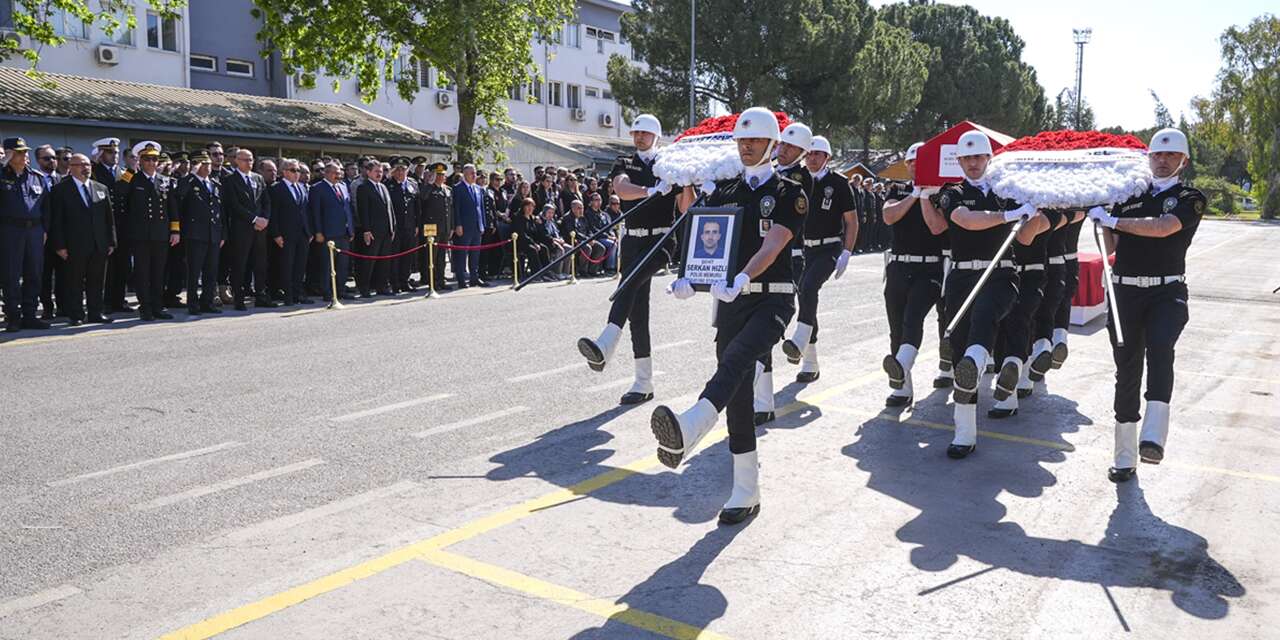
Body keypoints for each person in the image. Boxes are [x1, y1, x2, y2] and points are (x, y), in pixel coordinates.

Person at [649, 107, 805, 525]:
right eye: (742, 140)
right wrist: (689, 277)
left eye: (755, 140)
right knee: (736, 396)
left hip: (772, 299)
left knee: (736, 362)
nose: (746, 146)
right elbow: (701, 232)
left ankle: (693, 424)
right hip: (732, 302)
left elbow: (774, 244)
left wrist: (743, 275)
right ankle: (746, 489)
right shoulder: (725, 190)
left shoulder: (790, 192)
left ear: (773, 145)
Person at [1088, 128, 1204, 483]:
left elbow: (1164, 227)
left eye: (1171, 155)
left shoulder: (1189, 197)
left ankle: (1153, 437)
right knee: (1126, 370)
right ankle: (1124, 457)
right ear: (1148, 158)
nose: (1163, 160)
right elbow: (1110, 245)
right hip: (1125, 292)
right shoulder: (1128, 196)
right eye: (1157, 155)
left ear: (1183, 161)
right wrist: (1100, 216)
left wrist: (1114, 220)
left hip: (1166, 292)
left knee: (1160, 348)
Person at [936, 130, 1048, 459]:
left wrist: (1037, 211)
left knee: (985, 317)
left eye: (978, 157)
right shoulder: (951, 192)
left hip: (1000, 273)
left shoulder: (1008, 192)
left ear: (989, 158)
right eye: (967, 158)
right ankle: (965, 433)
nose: (973, 163)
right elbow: (965, 220)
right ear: (959, 161)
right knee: (960, 354)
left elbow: (1025, 237)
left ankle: (977, 359)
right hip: (962, 276)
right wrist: (1008, 216)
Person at [781, 135, 857, 383]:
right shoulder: (796, 178)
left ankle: (800, 338)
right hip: (803, 249)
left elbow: (851, 221)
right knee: (805, 297)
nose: (812, 158)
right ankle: (810, 363)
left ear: (827, 157)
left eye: (817, 154)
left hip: (830, 247)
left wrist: (847, 252)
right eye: (809, 153)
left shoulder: (838, 183)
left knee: (809, 286)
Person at [880, 143, 949, 406]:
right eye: (911, 162)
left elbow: (937, 227)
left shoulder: (942, 193)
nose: (914, 166)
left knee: (913, 317)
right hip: (898, 266)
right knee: (896, 327)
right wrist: (914, 195)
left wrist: (925, 196)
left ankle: (903, 364)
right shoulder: (898, 190)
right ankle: (902, 387)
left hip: (929, 267)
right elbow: (889, 216)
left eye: (920, 161)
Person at [48, 153, 115, 325]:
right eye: (81, 165)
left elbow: (109, 218)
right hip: (74, 244)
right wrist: (59, 245)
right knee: (74, 281)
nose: (86, 168)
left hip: (99, 244)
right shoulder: (60, 190)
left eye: (88, 165)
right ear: (71, 168)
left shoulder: (101, 188)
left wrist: (111, 241)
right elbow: (57, 221)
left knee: (97, 281)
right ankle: (76, 314)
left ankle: (96, 312)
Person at [120, 141, 180, 321]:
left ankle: (157, 306)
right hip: (140, 235)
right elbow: (119, 192)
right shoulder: (133, 178)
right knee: (142, 272)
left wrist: (175, 231)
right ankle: (145, 307)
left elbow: (172, 207)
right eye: (147, 159)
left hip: (160, 234)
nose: (151, 163)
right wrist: (130, 171)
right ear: (140, 160)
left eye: (154, 159)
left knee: (158, 273)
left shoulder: (165, 180)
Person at [1, 137, 52, 331]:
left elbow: (46, 206)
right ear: (8, 154)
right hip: (10, 230)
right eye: (19, 152)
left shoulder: (36, 176)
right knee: (11, 274)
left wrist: (45, 229)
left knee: (34, 273)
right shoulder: (2, 174)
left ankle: (30, 315)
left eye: (25, 152)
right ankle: (13, 316)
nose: (24, 155)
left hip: (35, 231)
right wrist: (2, 164)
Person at [224, 149, 277, 310]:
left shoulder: (258, 178)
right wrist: (254, 219)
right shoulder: (230, 180)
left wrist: (265, 219)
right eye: (245, 160)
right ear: (237, 161)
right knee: (240, 264)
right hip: (241, 228)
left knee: (260, 263)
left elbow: (266, 201)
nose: (249, 163)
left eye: (251, 160)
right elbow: (234, 205)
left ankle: (261, 295)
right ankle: (239, 298)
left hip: (260, 229)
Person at [177, 151, 225, 314]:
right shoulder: (189, 182)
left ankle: (208, 302)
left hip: (213, 233)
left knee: (211, 271)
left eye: (208, 164)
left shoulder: (215, 184)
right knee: (194, 271)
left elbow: (221, 211)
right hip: (195, 234)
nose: (207, 167)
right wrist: (191, 174)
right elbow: (179, 196)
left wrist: (222, 234)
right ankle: (193, 304)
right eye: (203, 164)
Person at [268, 158, 313, 305]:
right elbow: (273, 214)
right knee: (287, 265)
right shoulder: (276, 188)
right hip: (286, 234)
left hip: (303, 233)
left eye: (298, 170)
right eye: (293, 170)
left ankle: (297, 294)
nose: (297, 173)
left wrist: (309, 232)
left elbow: (306, 211)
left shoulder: (302, 188)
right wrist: (276, 234)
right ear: (284, 172)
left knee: (300, 266)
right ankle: (288, 296)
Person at [309, 162, 355, 301]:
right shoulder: (317, 188)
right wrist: (318, 232)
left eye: (340, 173)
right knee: (327, 265)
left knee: (342, 265)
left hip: (344, 233)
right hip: (328, 233)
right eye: (335, 173)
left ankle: (341, 290)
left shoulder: (343, 186)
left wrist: (351, 229)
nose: (338, 176)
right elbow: (315, 212)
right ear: (327, 173)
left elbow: (347, 209)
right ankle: (327, 292)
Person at [355, 160, 396, 297]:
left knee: (384, 261)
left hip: (386, 231)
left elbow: (390, 209)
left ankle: (382, 286)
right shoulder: (363, 188)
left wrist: (392, 227)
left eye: (381, 171)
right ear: (368, 172)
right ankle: (364, 288)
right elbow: (363, 211)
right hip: (372, 231)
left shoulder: (383, 187)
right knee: (369, 261)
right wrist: (366, 230)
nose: (379, 174)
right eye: (376, 171)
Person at [385, 158, 420, 293]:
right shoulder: (387, 185)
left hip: (409, 226)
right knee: (395, 256)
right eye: (398, 169)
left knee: (408, 256)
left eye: (403, 169)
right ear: (393, 171)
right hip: (395, 227)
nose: (400, 172)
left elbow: (417, 206)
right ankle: (395, 283)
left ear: (407, 170)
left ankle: (404, 281)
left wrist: (417, 225)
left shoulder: (413, 184)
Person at [451, 164, 488, 288]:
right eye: (472, 173)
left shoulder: (478, 188)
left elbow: (481, 208)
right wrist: (458, 225)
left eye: (475, 173)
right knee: (462, 255)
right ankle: (461, 280)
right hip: (464, 227)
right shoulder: (457, 188)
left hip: (476, 227)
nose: (474, 175)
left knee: (475, 255)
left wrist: (482, 224)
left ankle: (474, 278)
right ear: (465, 174)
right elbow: (456, 208)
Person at [419, 162, 453, 291]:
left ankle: (441, 280)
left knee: (442, 256)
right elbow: (423, 198)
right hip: (430, 226)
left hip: (444, 227)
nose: (440, 177)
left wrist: (451, 227)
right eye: (437, 175)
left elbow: (450, 210)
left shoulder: (447, 190)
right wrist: (430, 183)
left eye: (442, 175)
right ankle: (431, 281)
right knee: (431, 256)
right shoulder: (427, 188)